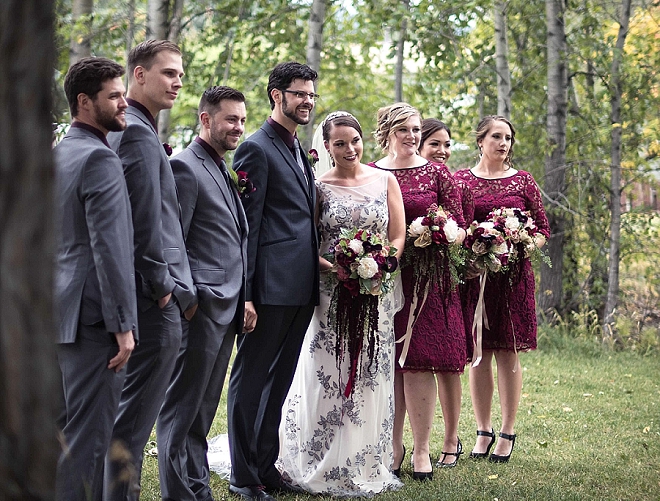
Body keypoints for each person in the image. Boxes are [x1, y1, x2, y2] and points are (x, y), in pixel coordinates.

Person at [278, 112, 406, 496]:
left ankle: (364, 459)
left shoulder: (385, 180)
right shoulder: (317, 186)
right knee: (326, 373)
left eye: (355, 140)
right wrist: (337, 267)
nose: (350, 149)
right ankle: (317, 456)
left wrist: (381, 265)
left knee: (369, 371)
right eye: (340, 143)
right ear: (326, 146)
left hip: (374, 292)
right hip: (331, 293)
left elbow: (397, 234)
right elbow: (306, 242)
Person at [105, 40, 196, 501]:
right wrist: (165, 291)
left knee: (128, 420)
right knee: (132, 426)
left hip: (149, 296)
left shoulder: (135, 127)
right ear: (138, 75)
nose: (178, 81)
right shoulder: (136, 132)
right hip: (153, 299)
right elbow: (142, 221)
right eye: (168, 73)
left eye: (180, 74)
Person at [226, 61, 320, 501]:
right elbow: (249, 227)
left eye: (311, 94)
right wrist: (246, 295)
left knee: (278, 382)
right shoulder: (256, 149)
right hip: (266, 291)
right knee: (250, 382)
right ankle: (243, 476)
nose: (307, 101)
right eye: (299, 93)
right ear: (275, 95)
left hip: (301, 289)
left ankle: (266, 466)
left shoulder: (298, 148)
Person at [157, 86, 248, 501]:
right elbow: (170, 239)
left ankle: (196, 486)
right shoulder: (184, 167)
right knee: (180, 408)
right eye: (230, 119)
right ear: (206, 119)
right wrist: (189, 299)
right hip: (201, 306)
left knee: (202, 409)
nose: (238, 127)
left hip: (224, 307)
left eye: (243, 120)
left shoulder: (220, 166)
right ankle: (178, 492)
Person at [368, 104, 467, 480]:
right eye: (403, 130)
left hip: (430, 278)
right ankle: (393, 445)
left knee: (421, 360)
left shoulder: (438, 173)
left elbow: (457, 221)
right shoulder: (372, 173)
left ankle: (423, 449)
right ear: (387, 133)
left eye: (414, 129)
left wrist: (443, 233)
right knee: (391, 362)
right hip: (386, 277)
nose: (411, 136)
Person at [54, 57, 137, 501]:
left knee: (61, 436)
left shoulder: (59, 154)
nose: (124, 102)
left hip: (58, 312)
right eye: (114, 96)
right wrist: (123, 326)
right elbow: (111, 250)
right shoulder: (100, 159)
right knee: (86, 443)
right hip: (94, 320)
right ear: (85, 102)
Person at [454, 115, 549, 463]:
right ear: (481, 140)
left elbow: (542, 229)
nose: (503, 143)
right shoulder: (462, 181)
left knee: (508, 353)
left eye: (508, 137)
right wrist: (476, 249)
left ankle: (508, 431)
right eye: (496, 136)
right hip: (477, 279)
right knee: (479, 355)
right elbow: (457, 228)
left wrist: (523, 242)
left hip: (512, 280)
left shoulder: (524, 181)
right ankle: (483, 430)